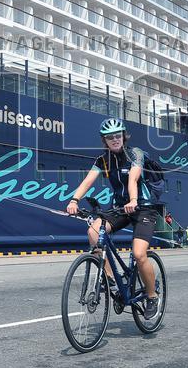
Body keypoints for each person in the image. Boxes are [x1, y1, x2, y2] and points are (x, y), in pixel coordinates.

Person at [66, 118, 161, 319]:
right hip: (121, 208)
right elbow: (87, 181)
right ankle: (108, 278)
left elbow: (133, 178)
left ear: (124, 136)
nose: (115, 139)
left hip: (143, 208)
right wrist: (74, 200)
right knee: (93, 230)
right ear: (105, 140)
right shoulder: (103, 160)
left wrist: (133, 199)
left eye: (118, 136)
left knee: (139, 254)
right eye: (110, 137)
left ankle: (152, 296)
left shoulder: (135, 154)